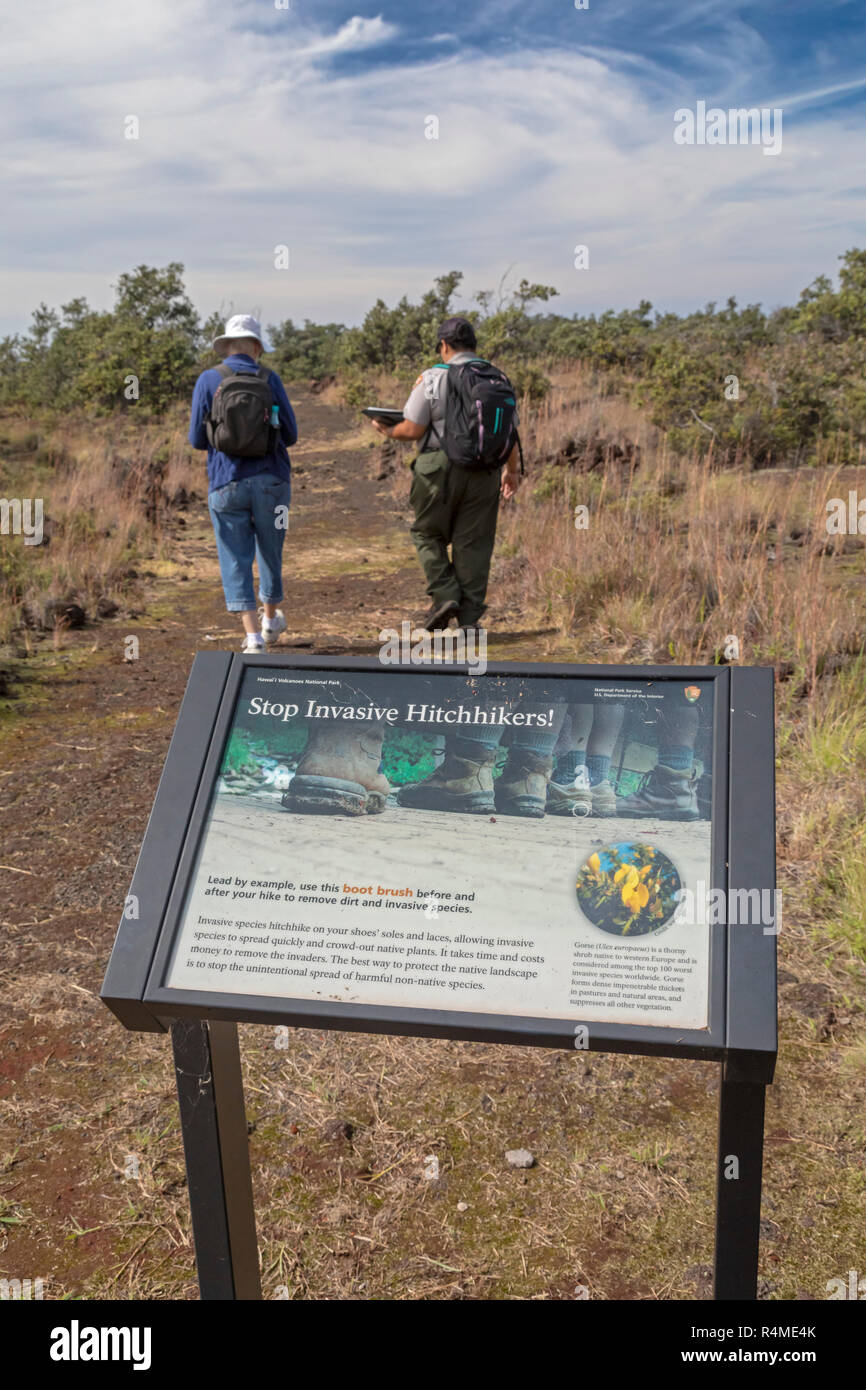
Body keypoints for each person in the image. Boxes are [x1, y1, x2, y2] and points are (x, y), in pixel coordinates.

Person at [368, 316, 522, 632]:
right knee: (474, 544)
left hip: (438, 468)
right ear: (475, 346)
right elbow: (511, 434)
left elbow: (412, 429)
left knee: (427, 533)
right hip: (486, 471)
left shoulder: (432, 378)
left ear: (444, 345)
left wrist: (386, 429)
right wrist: (511, 472)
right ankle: (469, 621)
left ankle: (445, 595)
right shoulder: (497, 379)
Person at [189, 314, 298, 652]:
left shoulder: (208, 380)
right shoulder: (270, 378)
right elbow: (291, 435)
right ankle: (270, 619)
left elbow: (196, 439)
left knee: (234, 555)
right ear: (255, 346)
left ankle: (252, 637)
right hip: (272, 484)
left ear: (226, 346)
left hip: (226, 484)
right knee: (271, 550)